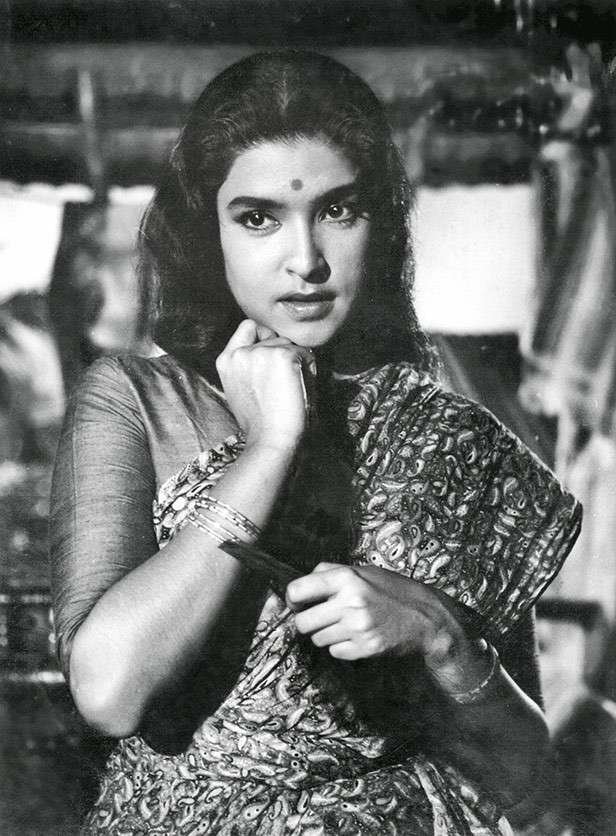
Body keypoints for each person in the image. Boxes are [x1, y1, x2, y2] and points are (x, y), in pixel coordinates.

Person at [50, 50, 582, 835]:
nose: (306, 262)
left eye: (339, 211)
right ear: (208, 233)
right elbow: (109, 693)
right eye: (258, 218)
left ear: (383, 224)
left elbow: (530, 781)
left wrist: (441, 636)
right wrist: (269, 448)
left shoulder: (451, 438)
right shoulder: (135, 399)